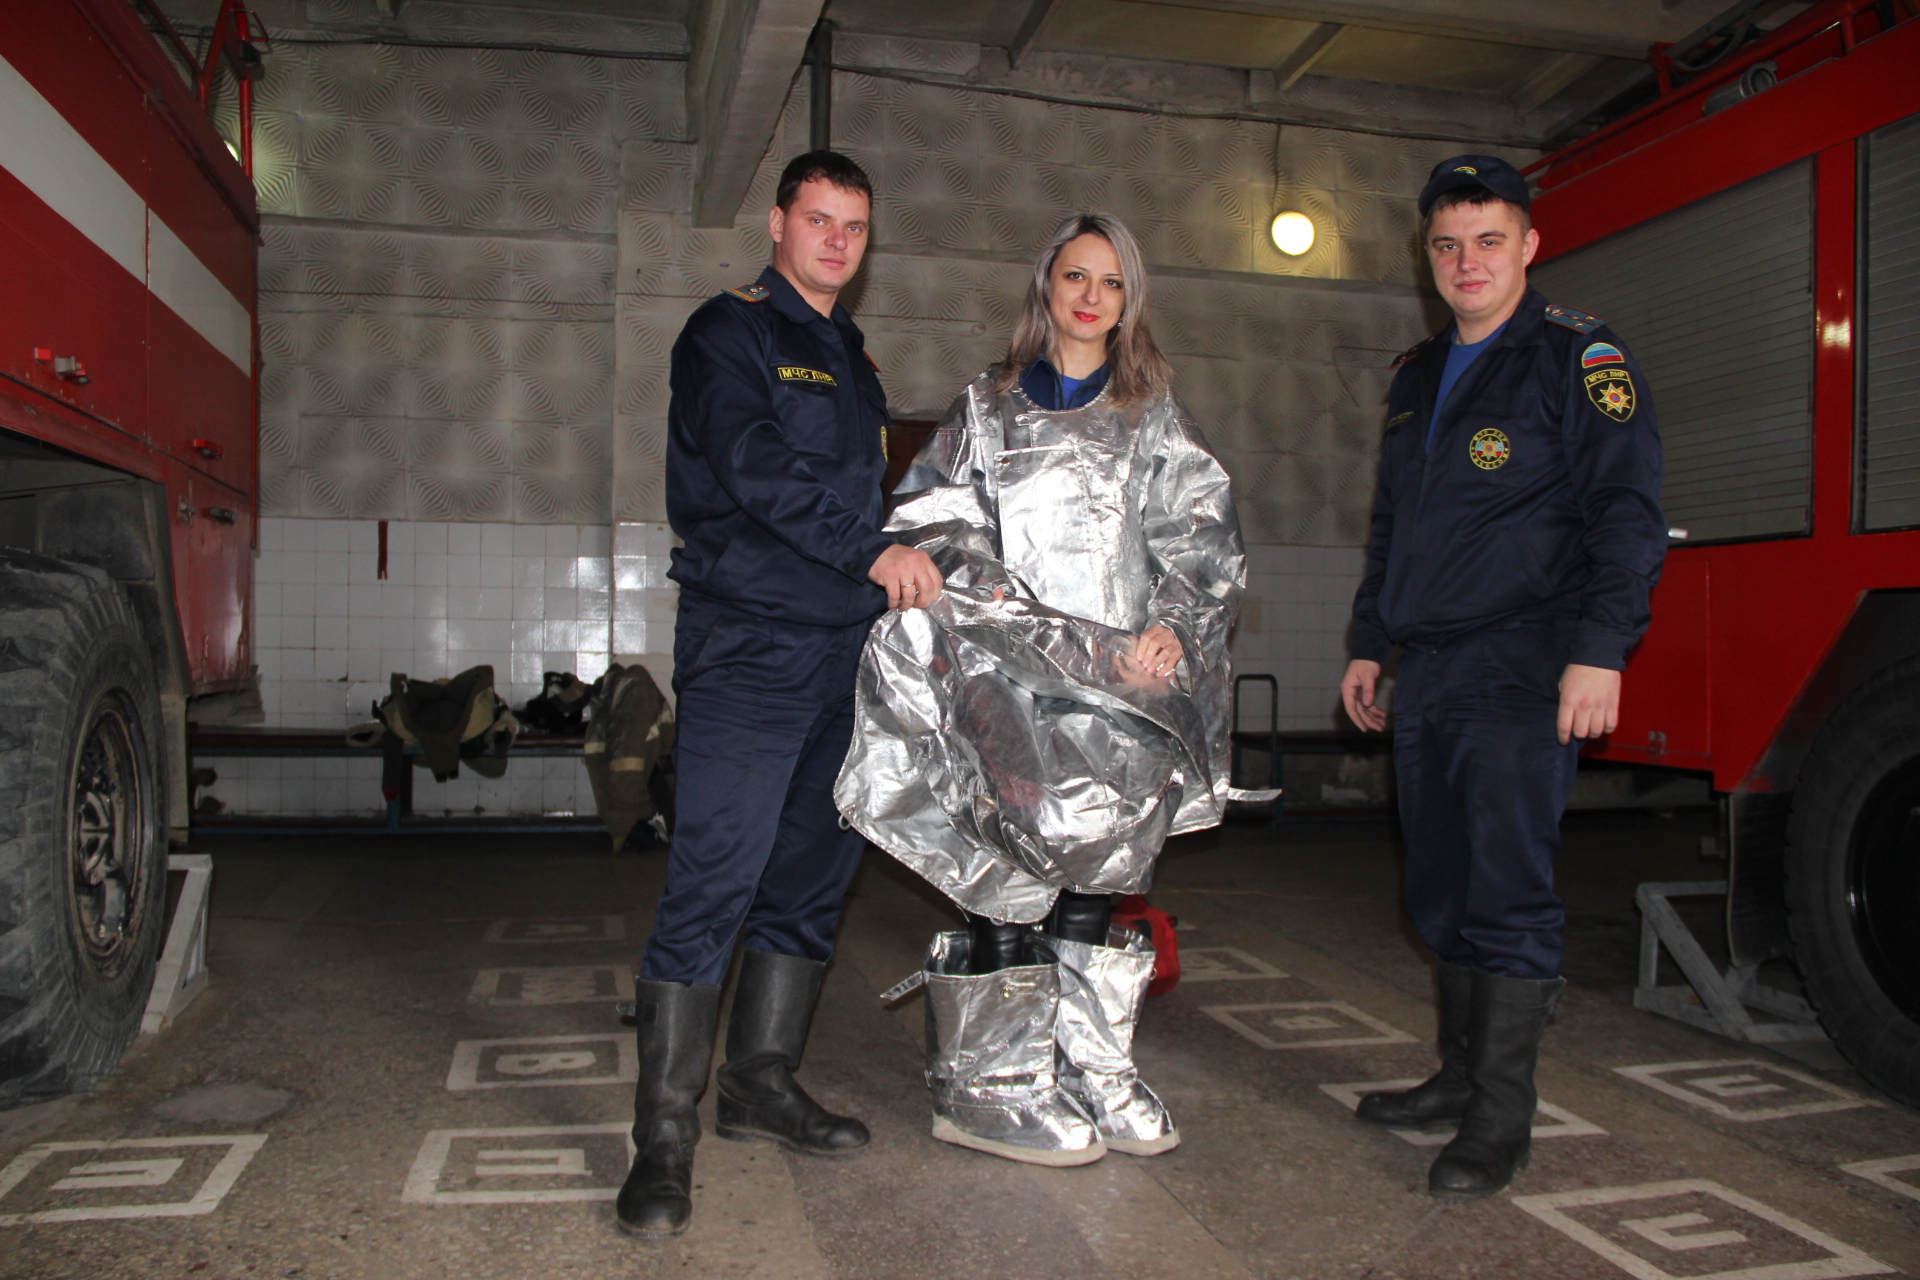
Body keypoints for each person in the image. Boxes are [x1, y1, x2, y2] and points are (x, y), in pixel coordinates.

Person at [836, 213, 1247, 1166]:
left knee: (1101, 864)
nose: (1091, 296)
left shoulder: (1152, 414)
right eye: (1075, 276)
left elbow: (1200, 535)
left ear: (1129, 299)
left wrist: (1172, 626)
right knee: (1010, 867)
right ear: (1047, 288)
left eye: (1111, 281)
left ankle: (1089, 1065)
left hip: (1119, 687)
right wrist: (1013, 621)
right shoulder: (988, 408)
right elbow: (937, 524)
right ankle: (989, 1083)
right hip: (1007, 678)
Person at [616, 150, 944, 1239]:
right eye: (820, 219)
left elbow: (867, 494)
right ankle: (663, 1139)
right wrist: (872, 551)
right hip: (750, 648)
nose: (838, 241)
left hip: (842, 653)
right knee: (713, 880)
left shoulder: (851, 354)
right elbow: (756, 466)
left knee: (810, 876)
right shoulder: (729, 333)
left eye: (855, 225)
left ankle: (759, 1083)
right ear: (777, 223)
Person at [1340, 155, 1666, 1199]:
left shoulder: (1578, 357)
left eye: (1488, 240)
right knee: (1439, 884)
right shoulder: (1418, 375)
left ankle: (1501, 1119)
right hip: (1430, 668)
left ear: (1529, 244)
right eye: (1447, 244)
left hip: (1527, 661)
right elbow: (1395, 523)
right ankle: (1459, 1074)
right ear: (1426, 255)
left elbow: (1626, 513)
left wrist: (1601, 648)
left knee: (1508, 890)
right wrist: (1369, 639)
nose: (1467, 261)